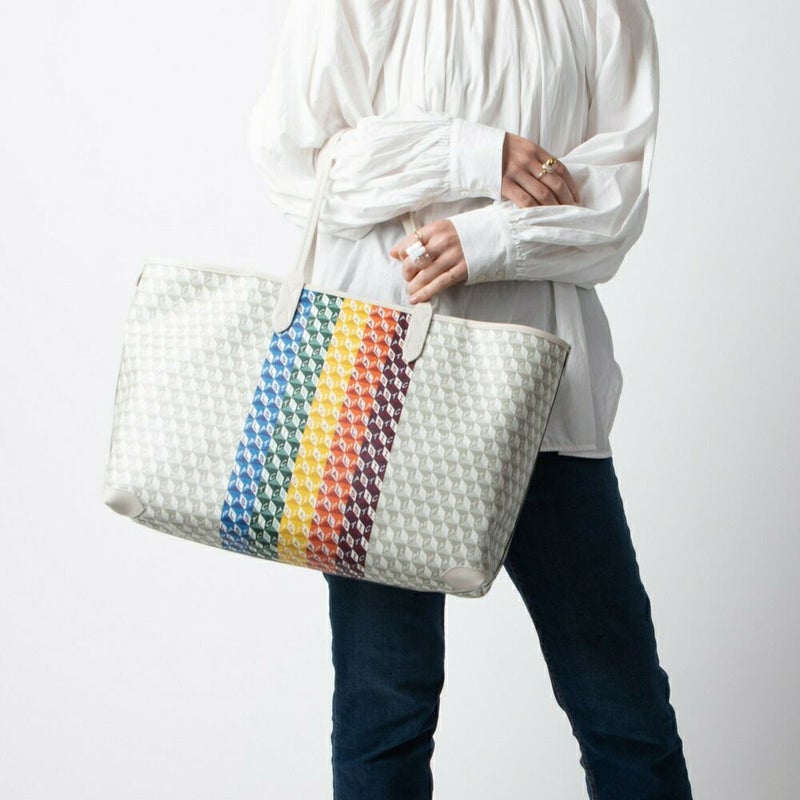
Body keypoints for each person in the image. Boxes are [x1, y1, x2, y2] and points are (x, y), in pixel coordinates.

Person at [246, 0, 694, 798]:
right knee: (385, 713)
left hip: (540, 400)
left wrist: (487, 241)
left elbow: (618, 201)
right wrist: (477, 155)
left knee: (625, 713)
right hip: (375, 397)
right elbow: (299, 163)